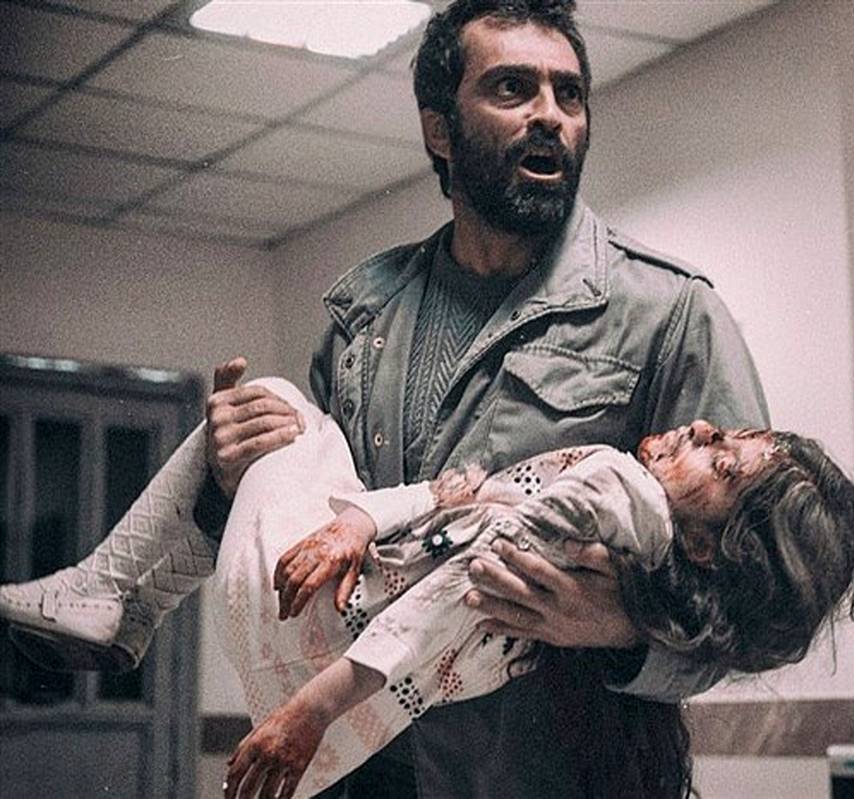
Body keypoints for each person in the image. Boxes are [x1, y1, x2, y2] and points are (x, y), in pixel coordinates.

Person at [16, 0, 784, 794]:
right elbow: (311, 547)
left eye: (569, 93)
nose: (550, 115)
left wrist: (624, 628)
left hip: (554, 777)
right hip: (359, 763)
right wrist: (227, 474)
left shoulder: (669, 313)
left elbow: (770, 595)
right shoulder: (367, 316)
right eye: (513, 88)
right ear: (440, 130)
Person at [0, 376, 854, 799]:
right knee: (290, 434)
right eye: (728, 435)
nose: (708, 429)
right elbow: (463, 505)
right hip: (348, 712)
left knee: (281, 402)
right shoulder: (630, 548)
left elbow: (458, 580)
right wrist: (354, 521)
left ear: (716, 548)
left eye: (726, 461)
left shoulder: (617, 482)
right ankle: (122, 602)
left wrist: (309, 710)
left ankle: (112, 592)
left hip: (319, 645)